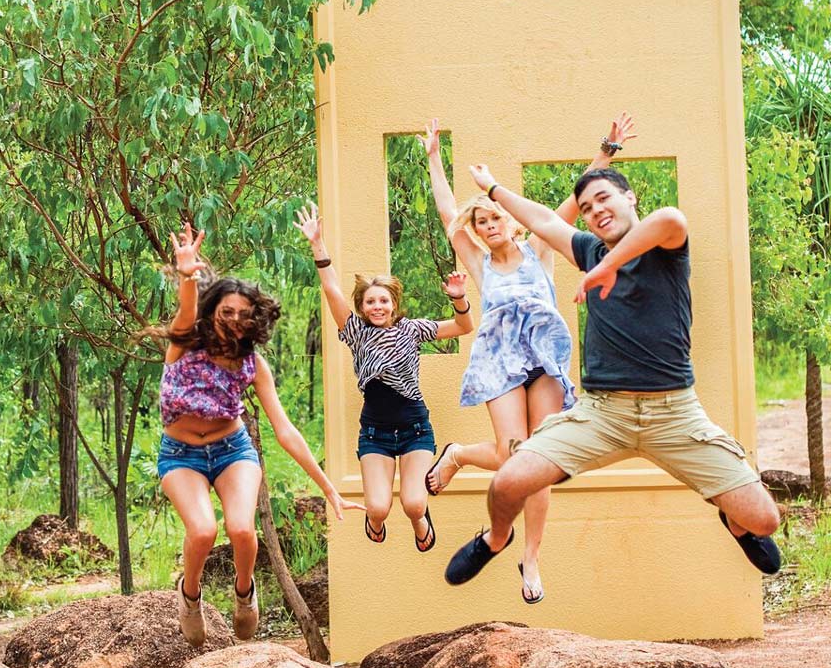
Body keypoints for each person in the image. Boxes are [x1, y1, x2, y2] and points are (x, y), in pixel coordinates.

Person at [442, 162, 782, 587]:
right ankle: (495, 540)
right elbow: (544, 220)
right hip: (602, 415)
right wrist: (493, 188)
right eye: (586, 207)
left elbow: (669, 219)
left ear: (629, 198)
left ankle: (736, 524)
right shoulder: (587, 250)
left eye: (604, 198)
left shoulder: (667, 247)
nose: (595, 210)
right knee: (508, 482)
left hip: (674, 413)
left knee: (765, 520)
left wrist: (607, 267)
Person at [421, 115, 635, 603]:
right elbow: (446, 209)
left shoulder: (539, 247)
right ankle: (458, 454)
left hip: (544, 357)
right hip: (499, 360)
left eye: (495, 217)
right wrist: (434, 157)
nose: (490, 225)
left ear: (509, 219)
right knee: (508, 454)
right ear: (475, 232)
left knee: (542, 459)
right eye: (481, 222)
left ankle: (531, 558)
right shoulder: (478, 263)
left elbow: (576, 201)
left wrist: (607, 151)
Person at [159, 222, 349, 646]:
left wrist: (328, 488)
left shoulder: (253, 365)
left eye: (244, 315)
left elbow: (285, 430)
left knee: (243, 530)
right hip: (181, 453)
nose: (234, 321)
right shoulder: (185, 343)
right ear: (213, 312)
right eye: (226, 312)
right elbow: (186, 310)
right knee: (204, 531)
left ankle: (245, 594)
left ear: (254, 320)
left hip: (232, 449)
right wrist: (188, 275)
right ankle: (190, 596)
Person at [295, 202, 474, 553]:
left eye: (384, 301)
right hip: (375, 432)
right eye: (370, 302)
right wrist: (318, 245)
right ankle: (375, 520)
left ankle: (420, 520)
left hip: (415, 429)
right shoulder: (355, 331)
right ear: (362, 307)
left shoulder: (412, 329)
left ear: (394, 303)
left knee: (413, 503)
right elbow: (331, 289)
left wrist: (459, 298)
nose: (377, 306)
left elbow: (464, 327)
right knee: (378, 507)